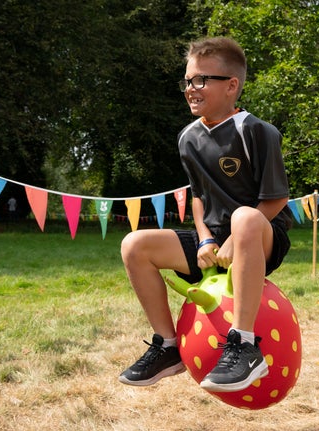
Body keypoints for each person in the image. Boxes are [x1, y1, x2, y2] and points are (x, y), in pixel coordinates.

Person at [117, 36, 292, 392]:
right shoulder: (187, 138)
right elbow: (198, 196)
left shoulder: (257, 132)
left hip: (261, 238)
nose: (190, 89)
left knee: (244, 217)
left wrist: (233, 239)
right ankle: (168, 346)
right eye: (187, 81)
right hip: (213, 241)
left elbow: (275, 201)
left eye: (200, 80)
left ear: (231, 86)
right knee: (135, 245)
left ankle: (245, 346)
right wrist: (207, 238)